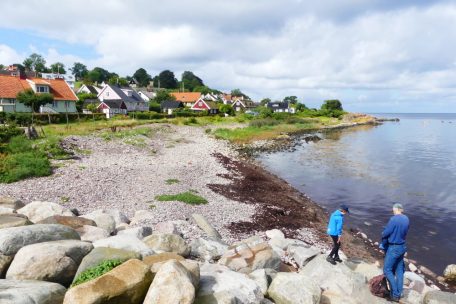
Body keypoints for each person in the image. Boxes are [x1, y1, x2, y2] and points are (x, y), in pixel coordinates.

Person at [381, 203, 410, 302]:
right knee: (399, 271)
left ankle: (395, 294)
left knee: (387, 270)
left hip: (394, 247)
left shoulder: (394, 219)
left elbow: (386, 232)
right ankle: (400, 292)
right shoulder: (406, 219)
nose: (392, 211)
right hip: (402, 246)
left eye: (393, 210)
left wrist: (383, 234)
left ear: (397, 209)